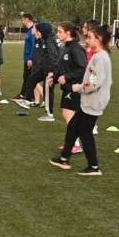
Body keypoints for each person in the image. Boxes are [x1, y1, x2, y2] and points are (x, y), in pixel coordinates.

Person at [50, 25, 113, 176]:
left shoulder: (100, 58)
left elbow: (93, 83)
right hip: (88, 102)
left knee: (85, 133)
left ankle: (94, 166)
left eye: (90, 37)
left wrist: (76, 88)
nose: (87, 39)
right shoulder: (97, 56)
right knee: (73, 126)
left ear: (99, 39)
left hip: (93, 102)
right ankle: (64, 158)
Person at [46, 21, 88, 152]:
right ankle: (74, 143)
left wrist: (67, 77)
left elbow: (83, 69)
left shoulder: (76, 48)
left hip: (75, 87)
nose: (57, 34)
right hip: (68, 87)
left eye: (60, 31)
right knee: (70, 115)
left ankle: (75, 144)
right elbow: (63, 68)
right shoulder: (66, 47)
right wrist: (55, 79)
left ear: (68, 33)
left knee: (68, 113)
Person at [20, 22, 59, 117]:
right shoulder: (44, 39)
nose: (36, 33)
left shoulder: (50, 40)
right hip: (44, 69)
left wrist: (51, 72)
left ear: (43, 31)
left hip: (50, 70)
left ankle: (49, 114)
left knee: (48, 91)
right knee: (31, 79)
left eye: (37, 31)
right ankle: (28, 100)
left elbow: (54, 57)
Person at [12, 13, 36, 102]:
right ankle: (25, 95)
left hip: (30, 59)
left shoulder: (33, 30)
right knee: (27, 76)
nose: (22, 22)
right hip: (27, 59)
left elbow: (34, 46)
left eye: (22, 20)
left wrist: (31, 58)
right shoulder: (29, 31)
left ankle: (28, 96)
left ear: (27, 20)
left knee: (29, 77)